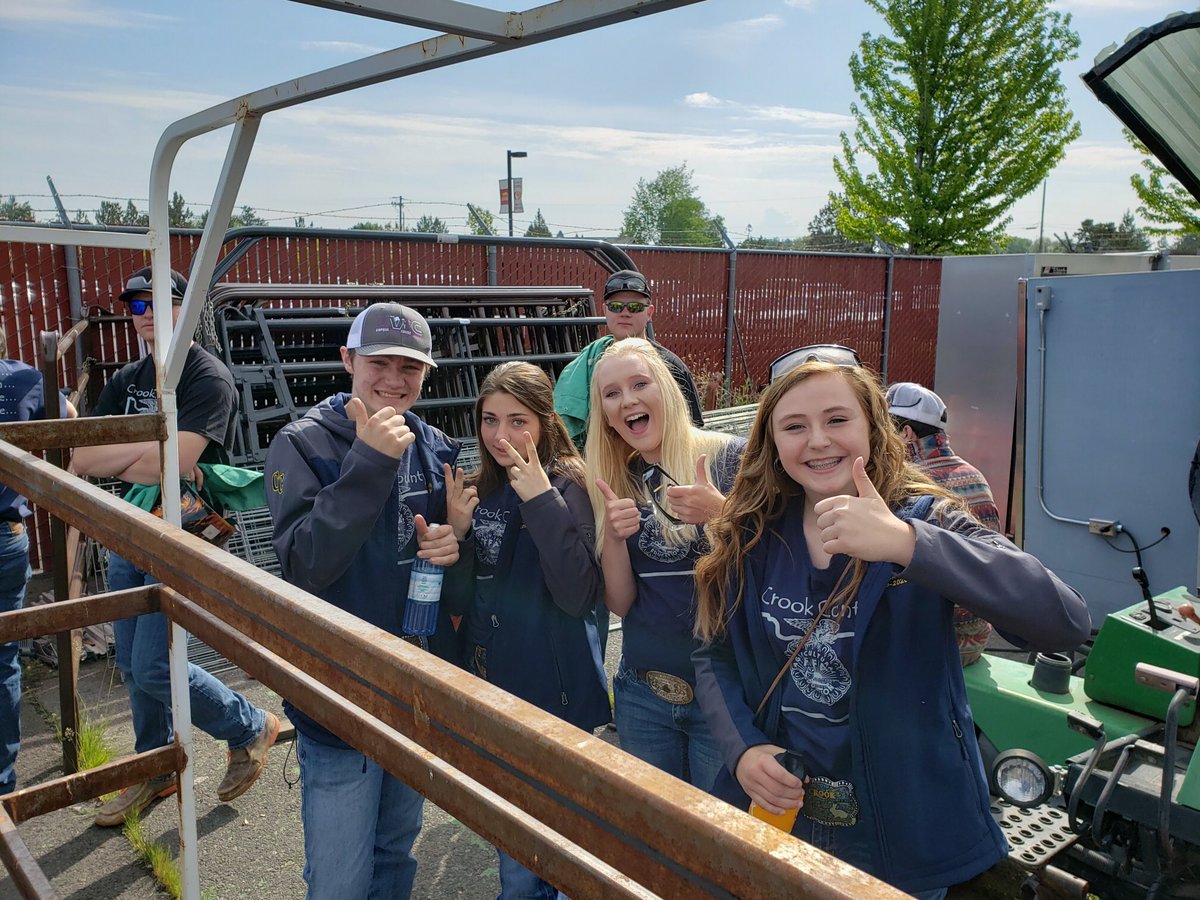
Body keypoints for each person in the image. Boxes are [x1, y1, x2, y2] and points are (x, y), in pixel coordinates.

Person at [692, 357, 1090, 898]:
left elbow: (1064, 622)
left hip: (900, 832)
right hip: (782, 813)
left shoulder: (929, 519)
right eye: (794, 426)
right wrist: (743, 749)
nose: (817, 440)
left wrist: (908, 545)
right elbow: (713, 654)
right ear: (772, 442)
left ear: (873, 428)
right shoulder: (754, 532)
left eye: (837, 419)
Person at [264, 301, 462, 900]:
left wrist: (454, 544)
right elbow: (306, 563)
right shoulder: (301, 444)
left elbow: (445, 569)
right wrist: (371, 462)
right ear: (348, 360)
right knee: (340, 879)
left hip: (414, 691)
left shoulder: (435, 445)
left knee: (396, 852)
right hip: (338, 697)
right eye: (380, 363)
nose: (395, 380)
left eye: (410, 367)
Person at [71, 266, 279, 826]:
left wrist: (136, 455)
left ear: (186, 309)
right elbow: (82, 457)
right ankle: (156, 765)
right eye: (136, 305)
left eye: (158, 302)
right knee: (132, 665)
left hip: (180, 534)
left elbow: (177, 463)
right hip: (131, 530)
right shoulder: (129, 377)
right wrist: (148, 453)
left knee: (155, 666)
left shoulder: (207, 377)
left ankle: (249, 726)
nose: (145, 314)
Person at [442, 361, 608, 900]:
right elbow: (462, 600)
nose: (501, 436)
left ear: (544, 422)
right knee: (512, 833)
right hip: (494, 681)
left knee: (563, 834)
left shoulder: (570, 484)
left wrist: (540, 500)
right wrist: (460, 537)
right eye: (490, 420)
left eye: (518, 421)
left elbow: (577, 595)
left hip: (555, 690)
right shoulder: (482, 488)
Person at [585, 338, 745, 791]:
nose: (627, 400)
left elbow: (779, 565)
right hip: (643, 694)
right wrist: (613, 538)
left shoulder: (732, 457)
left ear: (668, 390)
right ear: (605, 415)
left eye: (640, 384)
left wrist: (720, 515)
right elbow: (620, 604)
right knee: (652, 827)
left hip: (727, 696)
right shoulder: (616, 477)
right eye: (612, 394)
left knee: (717, 828)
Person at [0, 325, 75, 796]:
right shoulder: (21, 379)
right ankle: (2, 784)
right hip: (6, 533)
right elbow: (70, 419)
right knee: (3, 657)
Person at [886, 381, 1001, 665]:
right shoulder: (973, 474)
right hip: (975, 636)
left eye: (883, 430)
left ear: (905, 433)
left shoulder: (907, 483)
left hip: (931, 645)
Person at [554, 268, 703, 450]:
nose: (625, 313)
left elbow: (692, 431)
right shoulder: (588, 364)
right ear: (604, 310)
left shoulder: (671, 367)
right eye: (616, 306)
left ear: (649, 312)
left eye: (635, 307)